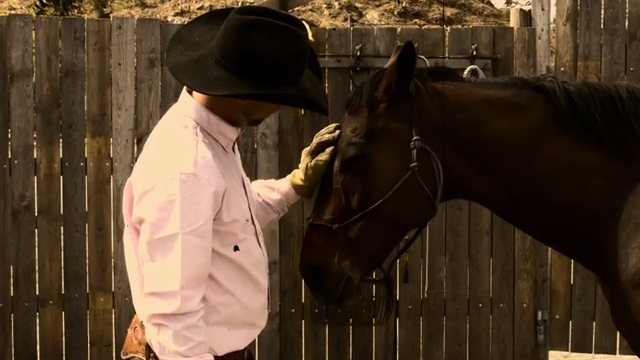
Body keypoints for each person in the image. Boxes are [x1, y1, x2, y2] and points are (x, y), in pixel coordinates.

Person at [119, 6, 340, 360]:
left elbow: (228, 221)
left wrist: (294, 184)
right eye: (280, 97)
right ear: (244, 93)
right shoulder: (186, 169)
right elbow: (175, 320)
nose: (280, 109)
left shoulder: (209, 142)